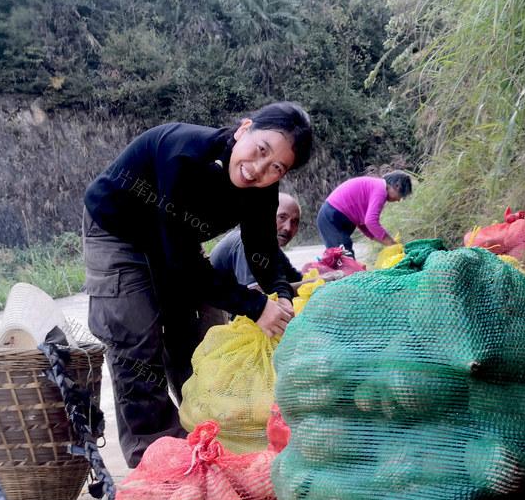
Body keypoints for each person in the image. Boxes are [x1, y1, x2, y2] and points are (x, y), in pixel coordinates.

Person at [82, 102, 313, 468]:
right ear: (245, 129)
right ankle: (157, 460)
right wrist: (253, 307)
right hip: (119, 233)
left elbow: (262, 251)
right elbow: (181, 264)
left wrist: (281, 294)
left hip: (174, 241)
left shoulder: (262, 187)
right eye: (262, 149)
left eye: (277, 168)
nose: (258, 169)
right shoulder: (185, 156)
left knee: (201, 337)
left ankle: (202, 433)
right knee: (138, 341)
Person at [209, 192, 341, 294]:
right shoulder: (245, 242)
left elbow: (297, 279)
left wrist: (330, 275)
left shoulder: (270, 248)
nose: (288, 228)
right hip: (225, 320)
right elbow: (261, 296)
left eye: (294, 222)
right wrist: (321, 281)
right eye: (282, 217)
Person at [316, 171, 412, 256]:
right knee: (345, 259)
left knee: (342, 258)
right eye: (401, 196)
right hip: (332, 217)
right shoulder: (380, 190)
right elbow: (371, 222)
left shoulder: (376, 187)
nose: (399, 200)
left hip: (333, 216)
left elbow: (365, 225)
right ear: (397, 185)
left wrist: (389, 244)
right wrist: (391, 243)